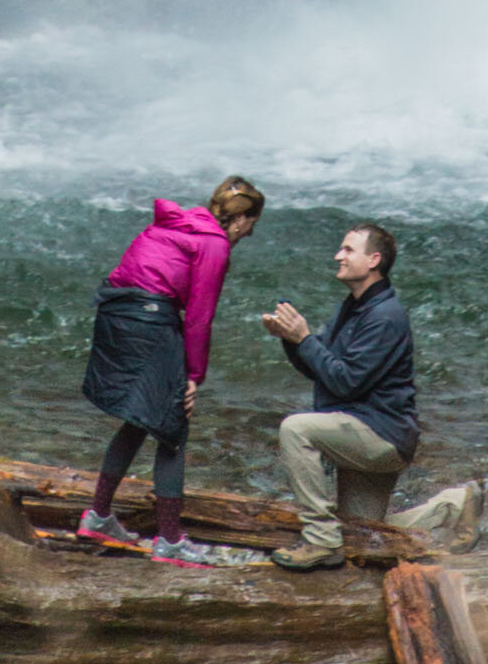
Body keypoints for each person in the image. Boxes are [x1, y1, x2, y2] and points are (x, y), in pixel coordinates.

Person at [80, 175, 265, 566]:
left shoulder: (180, 223)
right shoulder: (213, 243)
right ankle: (169, 540)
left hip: (115, 312)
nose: (250, 233)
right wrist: (194, 376)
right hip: (148, 321)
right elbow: (199, 317)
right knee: (173, 425)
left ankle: (97, 516)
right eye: (253, 223)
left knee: (140, 416)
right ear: (242, 217)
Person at [263, 221, 431, 570]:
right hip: (364, 427)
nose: (338, 256)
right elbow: (322, 366)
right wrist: (292, 339)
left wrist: (305, 338)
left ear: (373, 260)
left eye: (348, 250)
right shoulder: (354, 306)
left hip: (379, 435)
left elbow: (345, 382)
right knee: (364, 539)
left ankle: (320, 541)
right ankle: (451, 509)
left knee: (296, 429)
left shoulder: (384, 316)